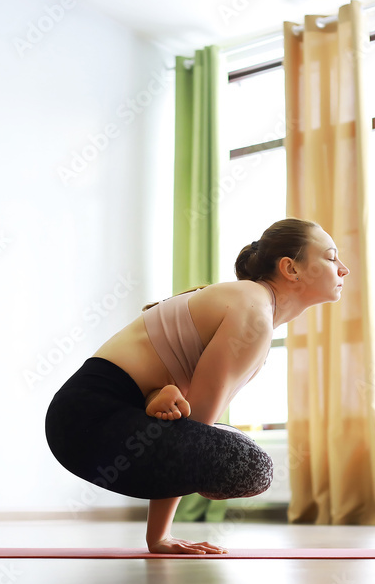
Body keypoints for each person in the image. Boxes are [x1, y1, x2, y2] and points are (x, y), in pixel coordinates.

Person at [43, 217, 350, 554]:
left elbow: (186, 420)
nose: (344, 269)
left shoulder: (254, 306)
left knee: (235, 444)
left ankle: (155, 408)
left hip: (98, 417)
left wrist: (161, 398)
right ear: (291, 268)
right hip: (86, 422)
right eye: (331, 257)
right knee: (252, 466)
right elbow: (196, 430)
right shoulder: (253, 311)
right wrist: (158, 538)